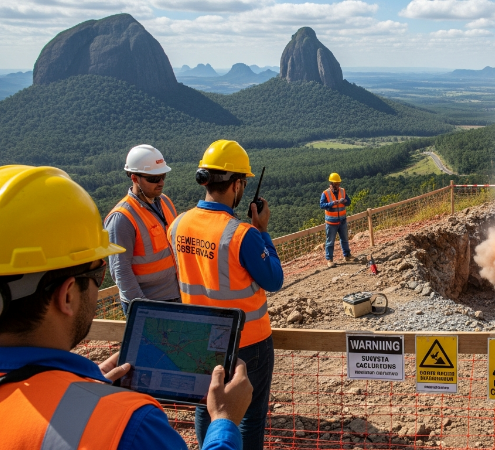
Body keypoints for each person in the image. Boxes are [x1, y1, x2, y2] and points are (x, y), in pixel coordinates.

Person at [0, 165, 252, 450]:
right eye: (97, 274)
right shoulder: (132, 426)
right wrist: (224, 421)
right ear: (67, 295)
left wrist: (84, 387)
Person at [168, 140, 283, 450]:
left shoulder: (177, 225)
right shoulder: (241, 233)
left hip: (199, 340)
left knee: (208, 405)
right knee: (250, 417)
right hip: (248, 342)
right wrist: (262, 231)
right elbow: (274, 279)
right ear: (237, 185)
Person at [105, 145, 180, 316]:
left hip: (175, 297)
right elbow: (121, 270)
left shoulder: (165, 202)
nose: (161, 182)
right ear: (134, 178)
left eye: (163, 176)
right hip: (149, 303)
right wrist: (143, 309)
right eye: (153, 178)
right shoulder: (122, 218)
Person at [320, 172, 353, 268]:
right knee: (330, 242)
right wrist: (332, 203)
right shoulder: (325, 193)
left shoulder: (342, 191)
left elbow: (349, 201)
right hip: (331, 222)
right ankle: (329, 260)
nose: (337, 186)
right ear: (331, 184)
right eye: (336, 184)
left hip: (342, 220)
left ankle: (347, 255)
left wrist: (345, 201)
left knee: (345, 239)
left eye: (338, 184)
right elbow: (322, 205)